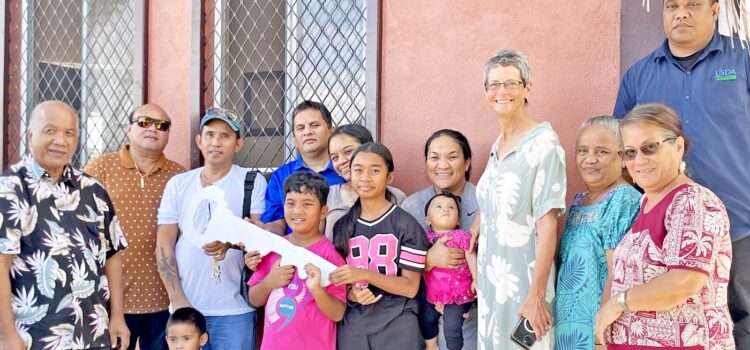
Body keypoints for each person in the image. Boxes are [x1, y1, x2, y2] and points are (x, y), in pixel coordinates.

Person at [612, 1, 750, 344]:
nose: (681, 13)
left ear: (715, 10)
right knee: (666, 321)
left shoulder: (742, 61)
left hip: (741, 224)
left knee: (742, 323)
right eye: (672, 5)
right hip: (661, 233)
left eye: (693, 4)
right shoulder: (639, 75)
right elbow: (624, 151)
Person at [594, 103, 734, 349]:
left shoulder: (693, 201)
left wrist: (617, 303)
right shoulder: (646, 202)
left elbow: (684, 282)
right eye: (629, 152)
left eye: (650, 148)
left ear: (678, 147)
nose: (639, 160)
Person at [0, 101, 129, 349]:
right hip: (33, 337)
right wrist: (6, 335)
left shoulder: (94, 190)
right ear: (30, 135)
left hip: (93, 333)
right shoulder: (10, 190)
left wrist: (117, 317)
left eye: (69, 133)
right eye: (50, 131)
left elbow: (112, 256)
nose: (61, 140)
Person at [473, 49, 567, 350]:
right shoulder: (498, 144)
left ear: (527, 87)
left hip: (524, 284)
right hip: (492, 285)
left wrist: (536, 294)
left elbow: (547, 225)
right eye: (494, 84)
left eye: (511, 83)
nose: (502, 91)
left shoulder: (544, 145)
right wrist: (481, 216)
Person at [156, 107, 266, 350]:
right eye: (210, 134)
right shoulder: (178, 184)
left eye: (225, 136)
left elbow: (258, 238)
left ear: (238, 144)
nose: (216, 142)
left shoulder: (251, 181)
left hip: (234, 308)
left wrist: (229, 244)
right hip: (187, 308)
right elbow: (165, 244)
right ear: (199, 141)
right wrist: (178, 300)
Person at [84, 103, 185, 350]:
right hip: (113, 301)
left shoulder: (179, 176)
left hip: (164, 301)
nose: (153, 129)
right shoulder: (99, 169)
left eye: (162, 125)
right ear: (129, 128)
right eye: (144, 122)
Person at [329, 142, 429, 349]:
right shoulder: (342, 227)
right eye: (358, 170)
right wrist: (352, 293)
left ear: (389, 177)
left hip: (398, 322)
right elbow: (338, 283)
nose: (365, 177)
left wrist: (364, 274)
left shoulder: (406, 224)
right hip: (353, 325)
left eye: (375, 170)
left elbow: (410, 288)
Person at [554, 116, 640, 349]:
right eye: (582, 150)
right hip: (568, 329)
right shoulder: (578, 201)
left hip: (597, 331)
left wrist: (602, 334)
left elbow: (617, 274)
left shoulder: (623, 200)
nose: (589, 159)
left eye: (601, 152)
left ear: (623, 158)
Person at [247, 172, 346, 350]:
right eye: (290, 204)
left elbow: (338, 313)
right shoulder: (275, 248)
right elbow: (254, 299)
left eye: (307, 204)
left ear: (323, 211)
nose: (297, 211)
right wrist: (270, 282)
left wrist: (316, 289)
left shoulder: (330, 256)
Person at [402, 129, 479, 350]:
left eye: (452, 157)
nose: (442, 165)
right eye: (434, 157)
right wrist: (429, 260)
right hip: (428, 314)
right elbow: (397, 264)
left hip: (474, 314)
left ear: (467, 163)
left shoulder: (485, 200)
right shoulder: (413, 206)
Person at [259, 101, 345, 235]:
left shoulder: (345, 170)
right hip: (297, 252)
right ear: (294, 139)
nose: (307, 132)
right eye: (300, 128)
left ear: (331, 131)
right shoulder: (281, 176)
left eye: (314, 125)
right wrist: (263, 230)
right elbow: (277, 222)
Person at [325, 124, 406, 240]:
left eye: (348, 152)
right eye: (335, 158)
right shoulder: (327, 195)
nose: (341, 161)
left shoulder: (397, 197)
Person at [421, 191, 477, 350]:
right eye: (438, 207)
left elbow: (471, 254)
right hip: (433, 293)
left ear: (458, 220)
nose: (445, 209)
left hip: (458, 294)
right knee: (426, 317)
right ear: (427, 219)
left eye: (451, 207)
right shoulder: (424, 238)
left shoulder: (460, 236)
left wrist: (476, 278)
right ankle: (431, 345)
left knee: (451, 326)